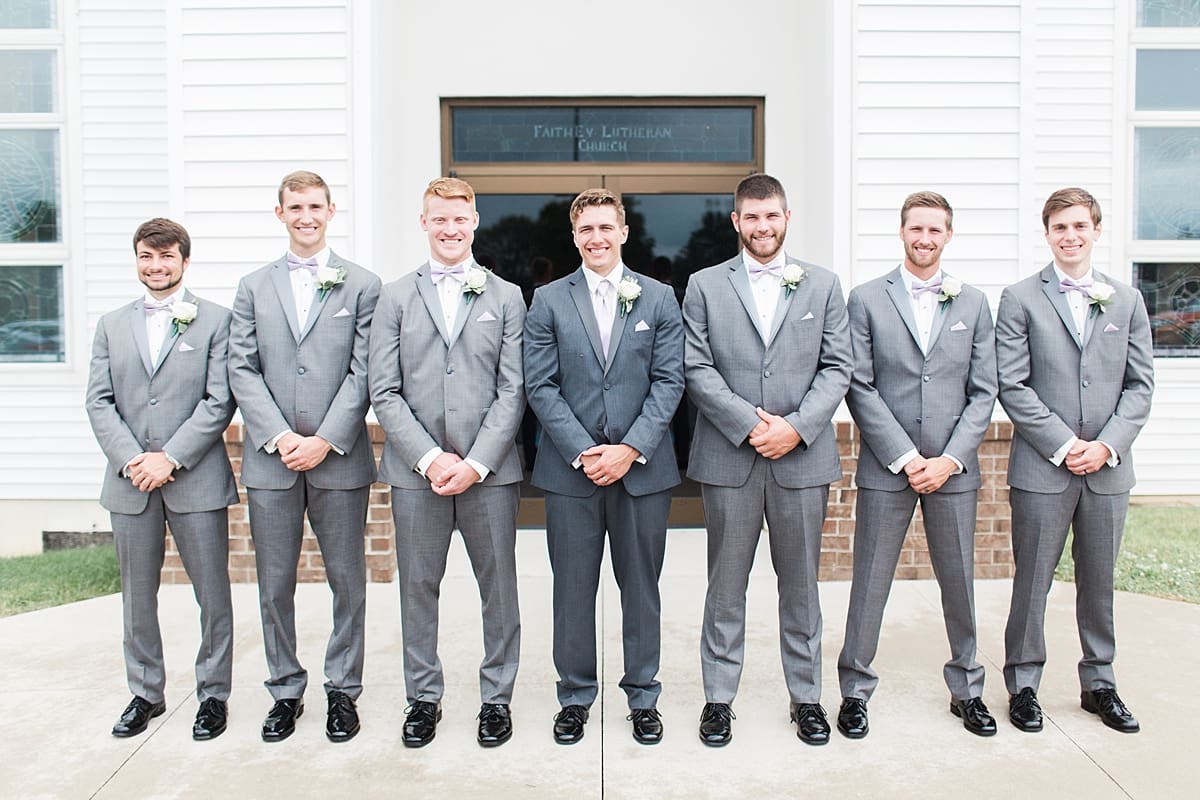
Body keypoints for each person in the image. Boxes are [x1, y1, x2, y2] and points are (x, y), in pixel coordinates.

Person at [683, 173, 852, 747]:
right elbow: (696, 367)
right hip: (729, 458)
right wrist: (751, 424)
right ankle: (718, 700)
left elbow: (837, 367)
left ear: (786, 217)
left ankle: (806, 699)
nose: (762, 227)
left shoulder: (824, 285)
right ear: (736, 221)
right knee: (725, 586)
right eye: (751, 217)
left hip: (802, 461)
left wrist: (797, 428)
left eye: (772, 216)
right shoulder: (705, 285)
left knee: (801, 585)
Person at [369, 177, 526, 748]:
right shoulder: (392, 297)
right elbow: (383, 390)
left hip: (490, 474)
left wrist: (477, 461)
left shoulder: (507, 296)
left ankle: (496, 698)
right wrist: (432, 459)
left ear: (475, 222)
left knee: (499, 587)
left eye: (459, 219)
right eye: (439, 219)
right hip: (417, 474)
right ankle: (423, 698)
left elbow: (514, 390)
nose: (450, 229)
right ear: (424, 223)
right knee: (418, 586)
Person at [524, 188, 684, 745]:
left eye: (605, 227)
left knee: (641, 588)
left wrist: (629, 449)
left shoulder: (660, 298)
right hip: (571, 471)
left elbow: (670, 383)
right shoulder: (547, 301)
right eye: (586, 229)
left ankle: (643, 695)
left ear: (624, 232)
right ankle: (575, 696)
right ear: (574, 237)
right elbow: (539, 386)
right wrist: (583, 450)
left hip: (643, 470)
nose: (596, 237)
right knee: (572, 588)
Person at [836, 191, 999, 738]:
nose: (924, 238)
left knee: (959, 581)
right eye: (916, 229)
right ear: (901, 232)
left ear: (948, 235)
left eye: (935, 230)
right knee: (870, 580)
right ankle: (854, 689)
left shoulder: (973, 303)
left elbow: (984, 391)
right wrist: (906, 458)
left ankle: (968, 689)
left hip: (955, 470)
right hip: (888, 467)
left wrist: (951, 459)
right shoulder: (865, 298)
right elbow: (859, 384)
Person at [228, 170, 381, 743]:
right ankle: (284, 689)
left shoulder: (362, 285)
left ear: (331, 211)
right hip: (272, 460)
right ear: (280, 214)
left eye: (315, 206)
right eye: (295, 207)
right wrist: (278, 436)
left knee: (348, 579)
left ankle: (343, 690)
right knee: (274, 582)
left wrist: (324, 437)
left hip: (338, 457)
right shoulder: (252, 287)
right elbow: (241, 367)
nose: (306, 216)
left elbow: (365, 369)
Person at [996, 187, 1154, 735]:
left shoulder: (1127, 300)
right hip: (1044, 468)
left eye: (1079, 227)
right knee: (1032, 579)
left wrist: (1106, 445)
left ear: (1095, 231)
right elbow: (1012, 384)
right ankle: (1023, 684)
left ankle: (1100, 683)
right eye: (1060, 227)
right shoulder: (1019, 298)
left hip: (1109, 469)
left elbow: (1139, 386)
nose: (1070, 236)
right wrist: (1065, 445)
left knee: (1099, 580)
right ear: (1047, 233)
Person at [86, 218, 237, 741]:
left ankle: (213, 694)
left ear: (184, 260)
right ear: (136, 260)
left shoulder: (217, 320)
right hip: (130, 483)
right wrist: (134, 460)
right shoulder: (110, 324)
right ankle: (145, 693)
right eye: (147, 257)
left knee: (212, 592)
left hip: (195, 478)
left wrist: (169, 457)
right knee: (136, 594)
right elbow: (99, 401)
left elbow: (220, 400)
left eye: (166, 256)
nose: (156, 266)